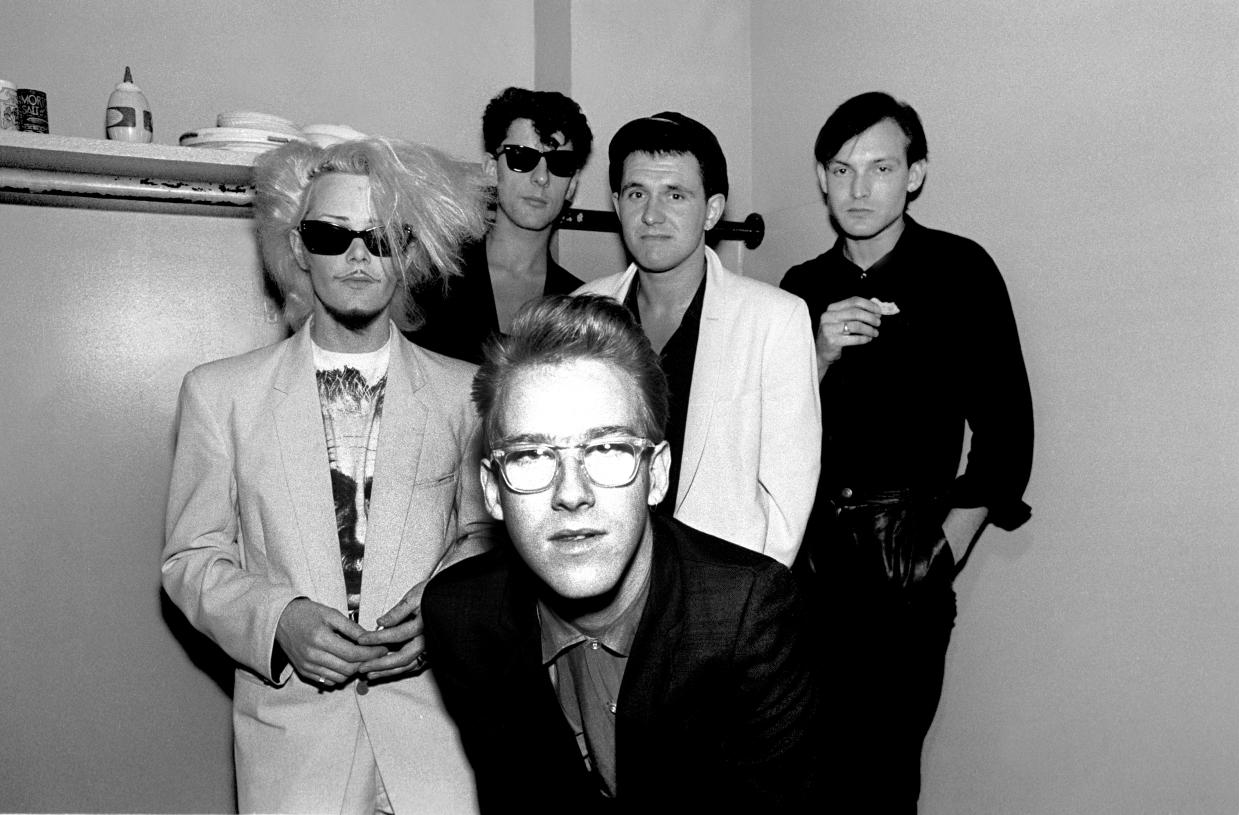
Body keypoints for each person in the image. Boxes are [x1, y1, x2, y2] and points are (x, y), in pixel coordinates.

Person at [161, 135, 495, 813]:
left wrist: (447, 617)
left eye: (382, 236)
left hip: (439, 743)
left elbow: (485, 540)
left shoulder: (470, 395)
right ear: (297, 249)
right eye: (330, 234)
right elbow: (190, 559)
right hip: (295, 751)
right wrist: (279, 621)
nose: (358, 255)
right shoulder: (220, 395)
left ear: (411, 251)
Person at [421, 294, 820, 811]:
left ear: (656, 475)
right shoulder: (461, 616)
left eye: (607, 450)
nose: (571, 492)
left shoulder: (747, 616)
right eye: (531, 455)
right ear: (493, 491)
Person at [780, 91, 1035, 813]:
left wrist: (939, 555)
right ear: (822, 177)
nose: (858, 188)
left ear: (914, 174)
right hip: (805, 571)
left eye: (880, 167)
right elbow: (766, 432)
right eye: (841, 168)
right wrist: (818, 354)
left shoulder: (960, 270)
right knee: (800, 777)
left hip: (906, 564)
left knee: (882, 781)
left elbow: (1007, 434)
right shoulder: (800, 288)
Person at [576, 112, 820, 567]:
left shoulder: (775, 319)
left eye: (675, 195)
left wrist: (744, 609)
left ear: (711, 209)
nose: (651, 214)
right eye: (636, 193)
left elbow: (789, 496)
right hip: (601, 578)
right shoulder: (582, 310)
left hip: (723, 593)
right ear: (617, 203)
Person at [407, 86, 592, 363]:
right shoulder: (433, 279)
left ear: (572, 185)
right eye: (522, 158)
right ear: (492, 169)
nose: (541, 177)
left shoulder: (580, 304)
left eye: (559, 164)